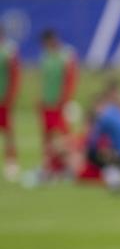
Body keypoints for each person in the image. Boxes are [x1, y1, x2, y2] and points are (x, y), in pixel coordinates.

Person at [38, 28, 77, 178]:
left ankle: (69, 165)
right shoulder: (45, 56)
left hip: (60, 103)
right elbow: (44, 79)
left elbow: (71, 79)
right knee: (47, 136)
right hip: (46, 102)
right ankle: (48, 165)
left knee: (64, 135)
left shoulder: (66, 55)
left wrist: (65, 99)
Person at [0, 26, 20, 181]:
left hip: (3, 98)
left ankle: (11, 163)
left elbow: (14, 74)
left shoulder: (8, 51)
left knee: (8, 132)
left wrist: (11, 95)